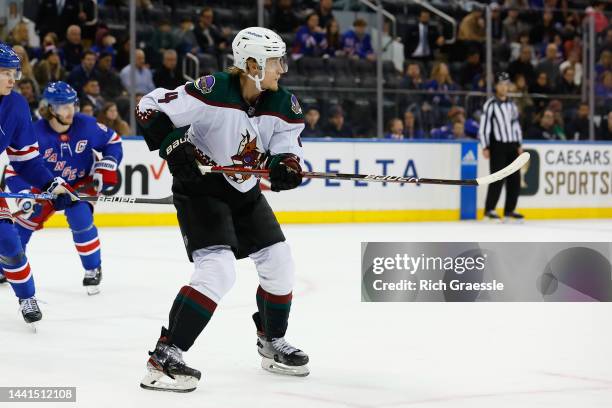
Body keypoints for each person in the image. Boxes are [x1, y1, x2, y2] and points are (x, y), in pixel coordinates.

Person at [136, 27, 309, 392]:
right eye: (276, 61)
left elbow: (286, 144)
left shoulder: (282, 103)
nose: (282, 69)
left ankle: (271, 341)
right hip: (201, 192)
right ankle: (164, 357)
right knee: (218, 270)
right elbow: (148, 106)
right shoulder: (212, 90)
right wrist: (172, 144)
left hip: (245, 193)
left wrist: (287, 165)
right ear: (251, 64)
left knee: (280, 261)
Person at [4, 81, 122, 296]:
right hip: (45, 186)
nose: (70, 111)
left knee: (80, 217)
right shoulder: (33, 133)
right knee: (21, 226)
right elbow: (13, 169)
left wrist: (109, 162)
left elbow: (113, 140)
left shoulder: (86, 125)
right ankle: (7, 266)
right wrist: (22, 194)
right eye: (62, 106)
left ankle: (93, 267)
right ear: (49, 108)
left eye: (72, 105)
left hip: (79, 184)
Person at [0, 43, 79, 325]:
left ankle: (26, 297)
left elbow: (25, 160)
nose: (13, 79)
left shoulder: (16, 105)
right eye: (6, 72)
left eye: (14, 73)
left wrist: (51, 184)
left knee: (8, 241)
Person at [479, 72, 524, 222]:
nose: (504, 87)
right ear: (496, 86)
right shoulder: (490, 105)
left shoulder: (512, 105)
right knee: (497, 178)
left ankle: (509, 210)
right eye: (501, 85)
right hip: (497, 145)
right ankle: (489, 210)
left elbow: (516, 125)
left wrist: (519, 144)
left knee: (515, 179)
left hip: (511, 145)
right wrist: (485, 146)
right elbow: (484, 127)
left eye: (506, 85)